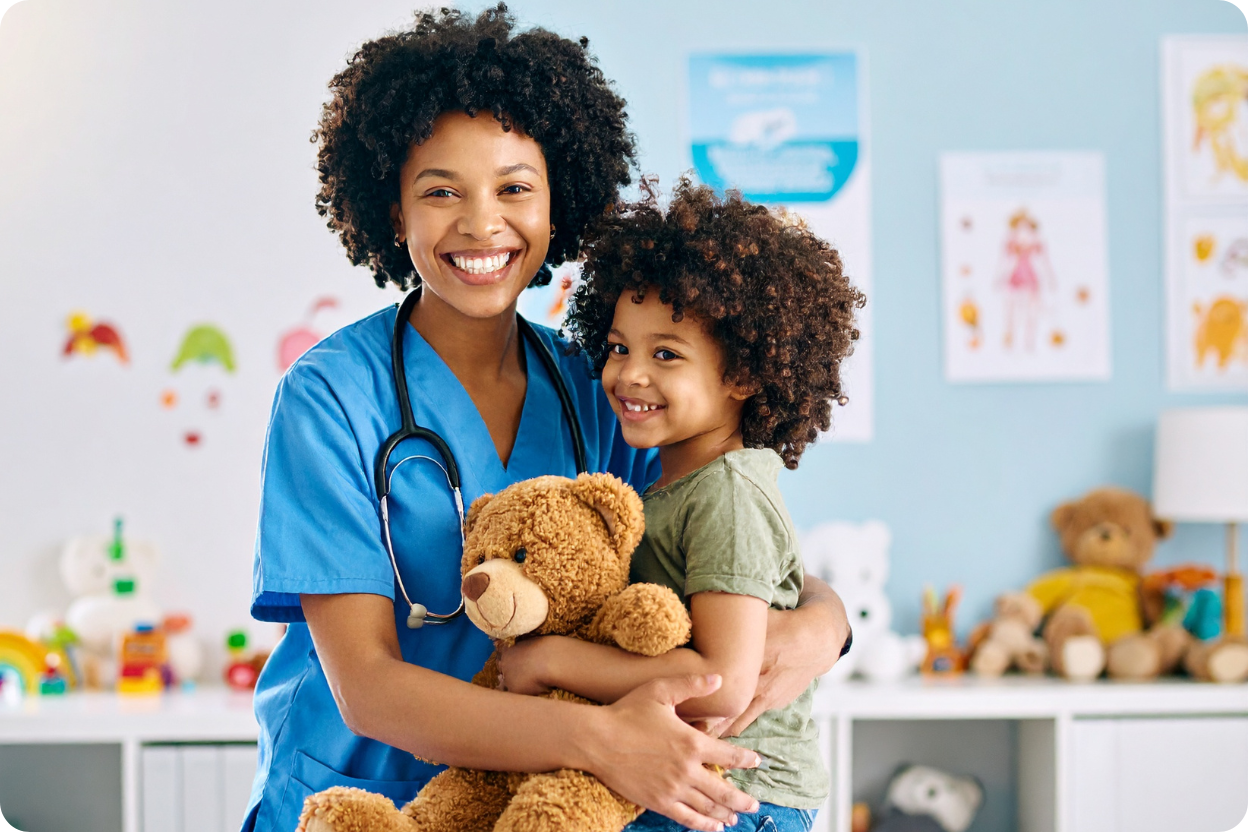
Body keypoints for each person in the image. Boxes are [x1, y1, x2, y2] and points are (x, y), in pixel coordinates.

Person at [244, 8, 850, 832]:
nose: (482, 223)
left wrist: (826, 623)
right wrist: (599, 738)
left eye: (515, 188)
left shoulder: (601, 385)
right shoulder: (330, 398)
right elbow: (370, 687)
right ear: (393, 210)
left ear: (557, 199)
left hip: (532, 807)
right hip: (363, 792)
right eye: (440, 191)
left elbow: (713, 546)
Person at [500, 180, 865, 832]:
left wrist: (551, 661)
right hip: (684, 779)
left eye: (665, 354)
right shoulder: (674, 488)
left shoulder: (726, 494)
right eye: (618, 347)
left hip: (734, 798)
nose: (629, 374)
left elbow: (720, 685)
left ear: (744, 375)